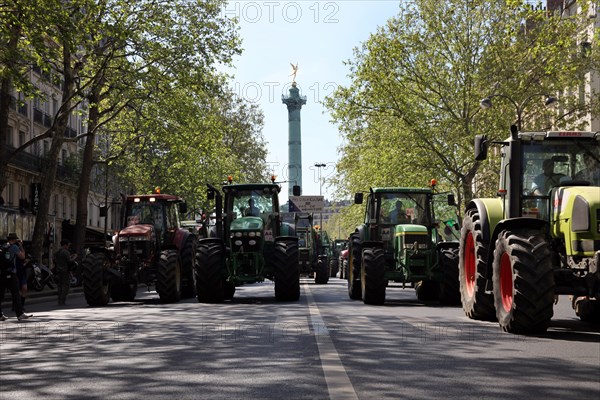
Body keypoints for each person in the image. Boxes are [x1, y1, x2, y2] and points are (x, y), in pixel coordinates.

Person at [0, 233, 32, 321]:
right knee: (16, 294)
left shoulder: (3, 246)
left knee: (1, 294)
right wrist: (21, 246)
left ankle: (0, 314)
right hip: (11, 273)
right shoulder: (14, 247)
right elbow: (22, 256)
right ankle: (20, 313)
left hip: (2, 273)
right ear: (15, 239)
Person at [54, 239, 76, 306]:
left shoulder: (57, 252)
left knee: (60, 285)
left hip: (58, 270)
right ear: (65, 245)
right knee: (66, 286)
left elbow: (54, 260)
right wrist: (74, 257)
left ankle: (59, 300)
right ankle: (62, 300)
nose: (68, 246)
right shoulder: (66, 252)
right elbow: (69, 261)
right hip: (65, 270)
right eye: (68, 245)